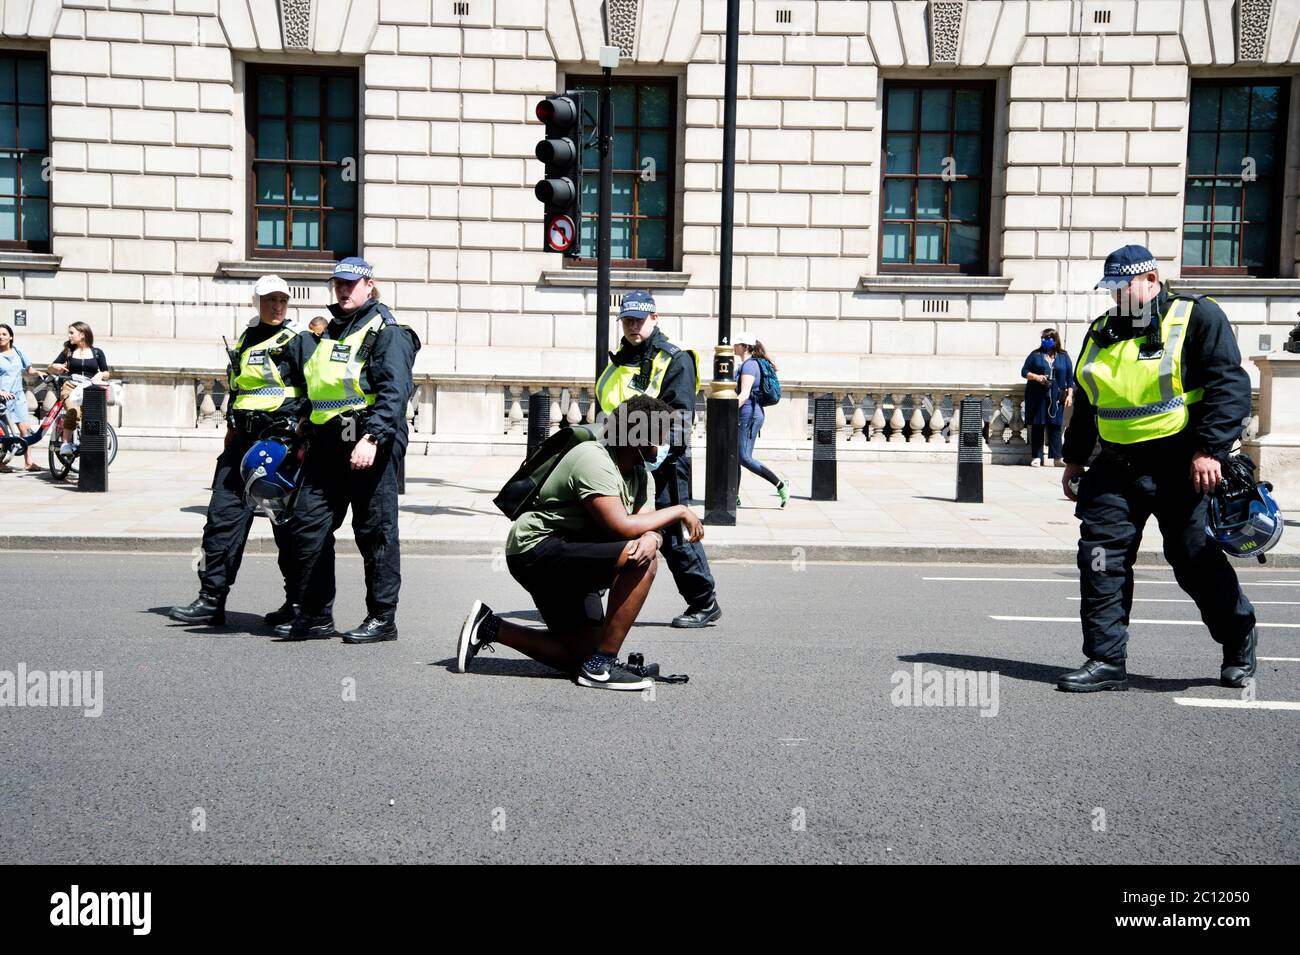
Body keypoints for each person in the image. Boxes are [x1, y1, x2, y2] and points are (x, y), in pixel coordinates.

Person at [1058, 244, 1258, 692]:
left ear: (1151, 279)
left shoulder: (1197, 317)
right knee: (1100, 561)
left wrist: (1210, 450)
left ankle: (1239, 636)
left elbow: (1230, 385)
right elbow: (1088, 399)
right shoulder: (1102, 330)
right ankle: (1106, 661)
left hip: (1183, 466)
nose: (1117, 298)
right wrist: (1074, 458)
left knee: (1193, 562)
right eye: (1111, 290)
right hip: (1115, 468)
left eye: (1124, 287)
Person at [455, 395, 705, 690]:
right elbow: (622, 525)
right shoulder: (593, 459)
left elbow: (646, 524)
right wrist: (678, 511)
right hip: (537, 550)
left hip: (577, 556)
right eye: (660, 436)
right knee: (643, 560)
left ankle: (490, 626)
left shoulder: (640, 474)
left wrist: (653, 536)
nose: (664, 445)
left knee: (580, 657)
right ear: (640, 439)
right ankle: (603, 665)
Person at [277, 257, 421, 644]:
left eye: (351, 284)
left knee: (375, 532)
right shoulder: (331, 331)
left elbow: (394, 392)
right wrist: (302, 422)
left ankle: (382, 618)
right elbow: (319, 388)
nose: (343, 290)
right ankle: (317, 614)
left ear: (369, 286)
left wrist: (372, 438)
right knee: (307, 526)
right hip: (326, 445)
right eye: (338, 283)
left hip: (368, 442)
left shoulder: (387, 331)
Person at [169, 276, 312, 627]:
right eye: (270, 300)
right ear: (256, 302)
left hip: (280, 448)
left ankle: (297, 604)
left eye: (282, 300)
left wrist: (301, 438)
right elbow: (238, 391)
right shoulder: (246, 338)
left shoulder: (300, 340)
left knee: (287, 529)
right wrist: (231, 431)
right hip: (242, 446)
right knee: (220, 522)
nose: (277, 306)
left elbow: (314, 392)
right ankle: (210, 599)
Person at [595, 290, 721, 628]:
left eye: (639, 319)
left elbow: (679, 419)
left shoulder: (675, 359)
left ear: (655, 317)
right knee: (608, 525)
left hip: (661, 460)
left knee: (672, 535)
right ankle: (593, 591)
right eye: (627, 320)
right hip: (620, 459)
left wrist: (654, 456)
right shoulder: (620, 360)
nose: (633, 326)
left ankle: (703, 602)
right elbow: (607, 409)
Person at [733, 333, 790, 506]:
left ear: (745, 346)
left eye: (736, 343)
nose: (733, 346)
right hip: (747, 413)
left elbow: (744, 394)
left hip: (749, 414)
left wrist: (725, 412)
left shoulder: (750, 366)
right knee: (734, 456)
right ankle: (733, 496)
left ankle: (780, 485)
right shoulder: (746, 364)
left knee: (744, 457)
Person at [48, 322, 109, 457]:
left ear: (82, 334)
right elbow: (50, 367)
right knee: (73, 412)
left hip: (89, 388)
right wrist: (55, 367)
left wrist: (101, 374)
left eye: (72, 333)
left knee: (92, 417)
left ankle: (89, 445)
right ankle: (65, 444)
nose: (69, 336)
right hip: (70, 387)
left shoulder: (97, 353)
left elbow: (106, 372)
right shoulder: (68, 351)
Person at [1020, 327, 1074, 467]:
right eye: (1044, 338)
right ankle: (1036, 457)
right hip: (1037, 395)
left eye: (1048, 338)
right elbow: (1024, 371)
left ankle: (1057, 457)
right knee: (1038, 425)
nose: (1045, 340)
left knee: (1055, 425)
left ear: (1055, 340)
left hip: (1057, 396)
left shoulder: (1063, 356)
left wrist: (1069, 395)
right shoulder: (1035, 354)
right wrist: (1036, 377)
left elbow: (1070, 378)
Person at [0, 323, 41, 472]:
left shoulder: (17, 351)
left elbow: (29, 369)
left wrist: (38, 373)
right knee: (4, 434)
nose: (1, 337)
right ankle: (0, 463)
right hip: (2, 399)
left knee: (25, 430)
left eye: (4, 334)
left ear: (10, 336)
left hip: (18, 398)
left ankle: (29, 462)